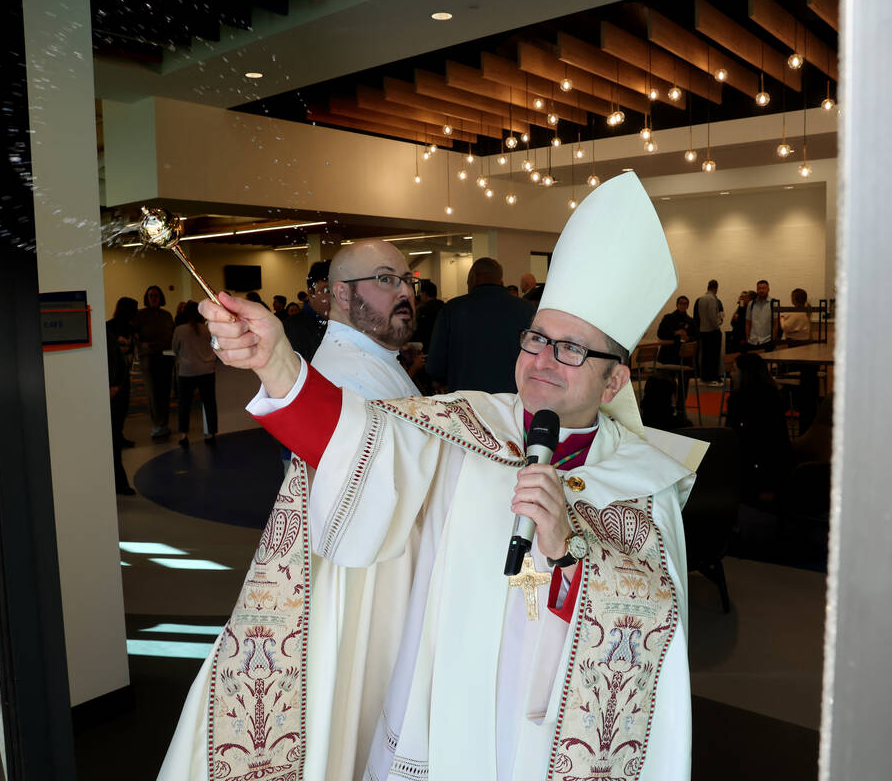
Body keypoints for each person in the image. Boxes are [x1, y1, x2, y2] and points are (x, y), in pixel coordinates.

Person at [161, 172, 694, 781]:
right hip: (436, 720)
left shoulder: (644, 484)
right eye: (537, 338)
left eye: (572, 349)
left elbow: (653, 626)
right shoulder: (463, 427)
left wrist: (567, 552)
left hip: (545, 741)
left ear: (615, 380)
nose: (543, 360)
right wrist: (278, 364)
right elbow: (358, 442)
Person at [426, 257, 535, 393]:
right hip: (514, 402)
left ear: (472, 278)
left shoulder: (452, 309)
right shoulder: (526, 309)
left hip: (466, 404)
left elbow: (435, 367)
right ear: (500, 280)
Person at [726, 351, 792, 499]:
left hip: (757, 470)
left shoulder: (740, 400)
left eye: (735, 370)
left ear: (746, 374)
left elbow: (739, 438)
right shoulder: (773, 396)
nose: (731, 374)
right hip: (777, 468)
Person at [171, 302, 219, 448]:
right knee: (209, 402)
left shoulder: (180, 330)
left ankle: (184, 436)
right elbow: (216, 346)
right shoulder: (208, 329)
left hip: (187, 371)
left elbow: (175, 349)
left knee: (184, 404)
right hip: (207, 370)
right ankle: (210, 434)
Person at [134, 284, 175, 439]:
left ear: (161, 298)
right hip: (149, 359)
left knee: (165, 392)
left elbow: (172, 334)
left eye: (156, 295)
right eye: (151, 295)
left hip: (166, 358)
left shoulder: (167, 315)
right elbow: (133, 335)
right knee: (153, 393)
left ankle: (164, 423)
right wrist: (141, 345)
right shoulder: (140, 315)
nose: (153, 298)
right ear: (147, 298)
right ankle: (157, 425)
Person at [106, 297, 138, 494]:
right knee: (114, 435)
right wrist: (114, 384)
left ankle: (118, 481)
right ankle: (119, 482)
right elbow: (112, 359)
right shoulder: (110, 329)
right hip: (116, 387)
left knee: (116, 433)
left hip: (120, 385)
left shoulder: (128, 328)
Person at [284, 260, 331, 360]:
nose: (336, 297)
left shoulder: (350, 324)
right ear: (311, 293)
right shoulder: (291, 329)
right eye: (327, 291)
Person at [694, 280, 725, 384]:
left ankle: (704, 376)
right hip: (712, 331)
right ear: (716, 287)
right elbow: (712, 316)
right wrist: (717, 326)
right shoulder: (712, 299)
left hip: (703, 330)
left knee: (705, 356)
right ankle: (712, 376)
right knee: (713, 355)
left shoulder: (701, 299)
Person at [744, 279, 778, 352]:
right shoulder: (751, 304)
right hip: (753, 341)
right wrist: (747, 338)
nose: (761, 291)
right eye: (759, 288)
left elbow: (776, 323)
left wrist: (773, 340)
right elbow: (748, 322)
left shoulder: (773, 303)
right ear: (756, 290)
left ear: (768, 289)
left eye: (763, 288)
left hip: (767, 340)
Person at [410, 278, 443, 351]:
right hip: (441, 346)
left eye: (421, 293)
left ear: (424, 294)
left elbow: (418, 331)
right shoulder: (444, 307)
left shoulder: (423, 310)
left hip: (426, 348)